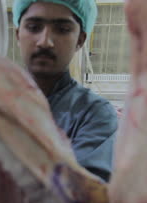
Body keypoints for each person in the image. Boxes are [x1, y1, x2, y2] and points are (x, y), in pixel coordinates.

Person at [13, 0, 118, 181]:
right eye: (33, 27)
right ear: (17, 34)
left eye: (62, 29)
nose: (45, 42)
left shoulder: (94, 114)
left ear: (80, 40)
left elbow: (82, 194)